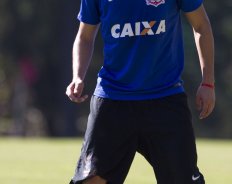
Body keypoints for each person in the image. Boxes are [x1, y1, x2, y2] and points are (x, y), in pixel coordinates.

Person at [66, 0, 215, 183]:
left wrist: (208, 83)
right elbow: (85, 37)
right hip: (113, 99)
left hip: (165, 99)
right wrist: (78, 76)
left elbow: (201, 25)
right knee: (92, 179)